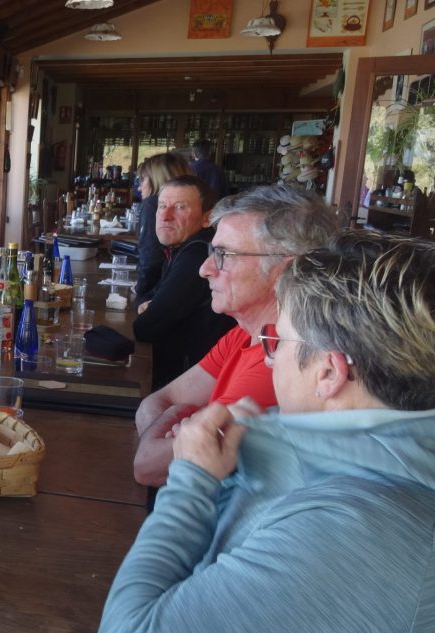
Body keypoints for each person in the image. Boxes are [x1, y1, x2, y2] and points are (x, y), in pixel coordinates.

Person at [94, 230, 435, 633]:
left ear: (329, 372)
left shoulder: (366, 533)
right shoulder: (402, 430)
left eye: (277, 341)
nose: (268, 358)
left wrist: (192, 480)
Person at [133, 185, 339, 487]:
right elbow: (159, 401)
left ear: (286, 270)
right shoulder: (244, 334)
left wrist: (177, 422)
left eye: (224, 255)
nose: (205, 270)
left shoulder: (281, 365)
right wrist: (178, 421)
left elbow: (148, 466)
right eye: (212, 252)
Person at [133, 175, 235, 390]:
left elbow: (146, 327)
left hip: (191, 384)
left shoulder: (197, 255)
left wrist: (150, 309)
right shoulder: (181, 247)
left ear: (207, 218)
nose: (166, 216)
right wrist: (150, 304)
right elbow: (149, 296)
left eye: (180, 207)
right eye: (162, 206)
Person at [134, 153, 193, 301]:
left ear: (156, 179)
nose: (139, 188)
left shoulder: (152, 205)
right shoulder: (192, 206)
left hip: (158, 294)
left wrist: (140, 291)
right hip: (182, 288)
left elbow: (150, 257)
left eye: (142, 180)